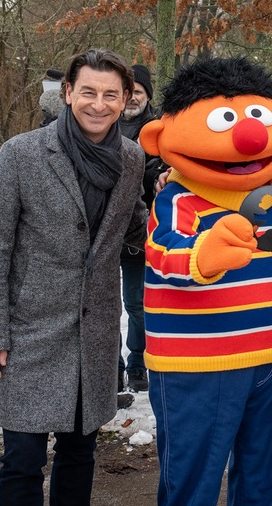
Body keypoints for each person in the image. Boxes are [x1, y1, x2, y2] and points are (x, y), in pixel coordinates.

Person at [0, 48, 148, 506]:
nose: (99, 103)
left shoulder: (131, 158)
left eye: (112, 94)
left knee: (80, 452)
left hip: (94, 331)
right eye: (88, 91)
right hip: (29, 330)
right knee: (23, 458)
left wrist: (172, 199)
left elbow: (133, 223)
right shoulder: (22, 153)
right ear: (68, 92)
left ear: (126, 98)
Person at [137, 56, 272, 506]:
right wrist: (202, 256)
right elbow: (161, 254)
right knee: (193, 481)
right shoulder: (177, 199)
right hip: (199, 365)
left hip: (270, 358)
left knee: (261, 478)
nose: (247, 136)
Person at [115, 63, 162, 396]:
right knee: (103, 305)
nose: (133, 100)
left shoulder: (157, 132)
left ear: (147, 96)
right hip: (101, 232)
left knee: (137, 303)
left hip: (139, 232)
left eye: (139, 93)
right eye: (129, 93)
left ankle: (137, 363)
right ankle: (111, 366)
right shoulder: (102, 126)